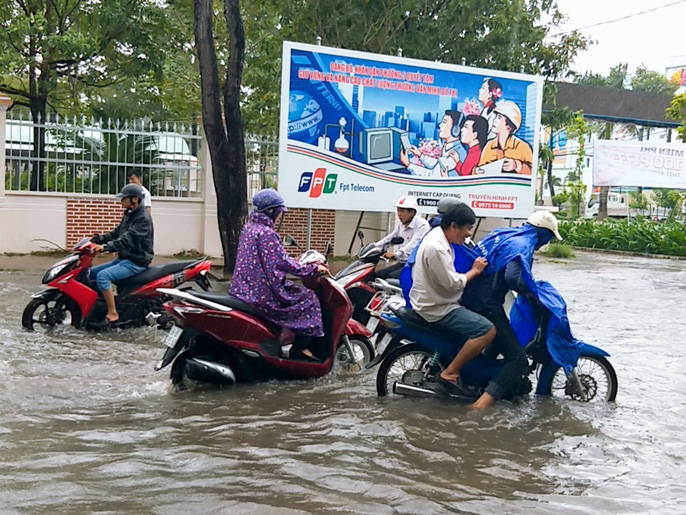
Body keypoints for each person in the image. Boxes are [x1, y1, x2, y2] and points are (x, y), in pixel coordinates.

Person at [460, 210, 563, 408]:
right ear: (541, 233)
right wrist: (533, 296)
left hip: (470, 295)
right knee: (518, 361)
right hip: (485, 305)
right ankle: (478, 407)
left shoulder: (503, 233)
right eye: (548, 238)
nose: (544, 244)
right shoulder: (523, 244)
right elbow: (514, 276)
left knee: (498, 344)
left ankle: (479, 383)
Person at [408, 203, 497, 408]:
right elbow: (452, 284)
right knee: (487, 330)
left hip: (431, 298)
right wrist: (474, 271)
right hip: (437, 306)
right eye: (467, 229)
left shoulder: (438, 236)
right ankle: (451, 372)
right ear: (454, 226)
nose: (468, 234)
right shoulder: (437, 248)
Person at [230, 189, 328, 361]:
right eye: (278, 212)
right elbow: (282, 262)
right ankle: (300, 348)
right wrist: (313, 269)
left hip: (243, 289)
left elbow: (274, 259)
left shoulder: (249, 228)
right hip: (262, 292)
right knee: (309, 298)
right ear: (271, 211)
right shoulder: (266, 233)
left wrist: (294, 262)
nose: (278, 216)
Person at [91, 184, 154, 325]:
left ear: (135, 200)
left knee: (103, 276)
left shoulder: (143, 218)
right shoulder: (129, 215)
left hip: (136, 262)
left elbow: (127, 239)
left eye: (123, 198)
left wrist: (105, 247)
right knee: (91, 274)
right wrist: (99, 239)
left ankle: (113, 313)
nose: (121, 201)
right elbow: (117, 233)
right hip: (124, 259)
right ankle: (101, 305)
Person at [372, 196, 430, 279]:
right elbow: (390, 238)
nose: (399, 214)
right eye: (398, 210)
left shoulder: (422, 225)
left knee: (391, 278)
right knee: (377, 276)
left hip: (414, 265)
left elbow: (413, 245)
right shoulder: (401, 224)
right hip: (402, 263)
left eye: (402, 211)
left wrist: (395, 254)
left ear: (412, 212)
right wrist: (373, 247)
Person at [399, 110, 467, 177]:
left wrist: (408, 164)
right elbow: (437, 163)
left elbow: (432, 176)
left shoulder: (457, 153)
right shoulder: (451, 147)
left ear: (455, 130)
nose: (440, 125)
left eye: (444, 122)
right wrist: (420, 155)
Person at [478, 101, 533, 175]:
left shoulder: (523, 147)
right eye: (495, 117)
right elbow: (480, 168)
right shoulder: (489, 146)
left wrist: (517, 165)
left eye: (499, 117)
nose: (494, 120)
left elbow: (532, 173)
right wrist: (477, 171)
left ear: (509, 126)